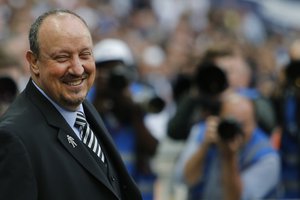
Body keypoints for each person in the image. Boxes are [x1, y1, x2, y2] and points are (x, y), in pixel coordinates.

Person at [0, 9, 142, 200]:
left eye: (85, 55)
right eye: (62, 57)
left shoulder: (84, 108)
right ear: (34, 62)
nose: (77, 69)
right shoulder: (14, 137)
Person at [174, 91, 280, 200]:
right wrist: (204, 146)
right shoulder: (203, 132)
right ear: (219, 118)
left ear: (255, 123)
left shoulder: (267, 156)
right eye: (230, 122)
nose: (235, 130)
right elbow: (184, 179)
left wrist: (229, 157)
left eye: (242, 124)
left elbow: (237, 198)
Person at [91, 38, 159, 200]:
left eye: (115, 69)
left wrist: (134, 111)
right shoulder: (87, 99)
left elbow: (153, 148)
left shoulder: (143, 96)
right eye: (104, 70)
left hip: (138, 188)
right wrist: (97, 105)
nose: (111, 75)